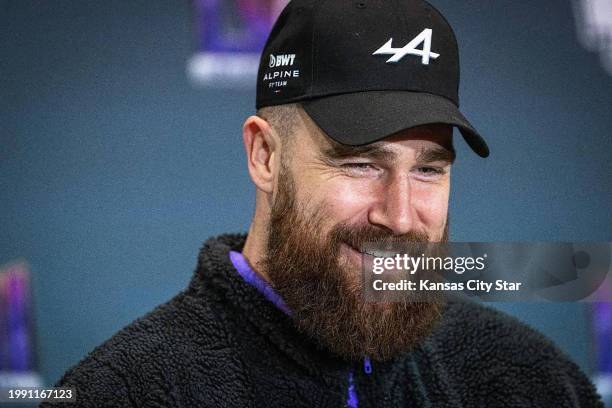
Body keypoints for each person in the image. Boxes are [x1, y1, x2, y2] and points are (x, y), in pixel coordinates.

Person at [43, 0, 603, 406]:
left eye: (429, 169)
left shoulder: (527, 379)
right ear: (265, 154)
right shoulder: (125, 391)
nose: (400, 216)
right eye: (360, 162)